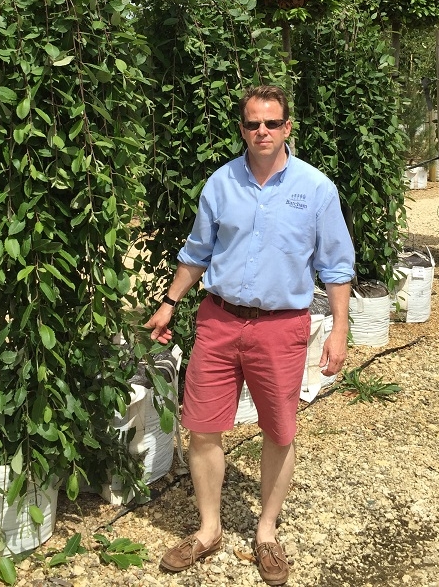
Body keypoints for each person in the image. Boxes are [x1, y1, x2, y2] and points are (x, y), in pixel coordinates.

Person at [144, 84, 355, 585]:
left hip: (281, 327)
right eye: (253, 123)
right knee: (202, 428)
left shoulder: (316, 189)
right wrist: (169, 303)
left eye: (272, 123)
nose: (263, 131)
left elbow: (336, 266)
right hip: (219, 320)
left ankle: (266, 532)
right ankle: (209, 530)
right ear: (242, 129)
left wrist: (339, 329)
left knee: (279, 431)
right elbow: (197, 253)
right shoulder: (221, 184)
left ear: (287, 127)